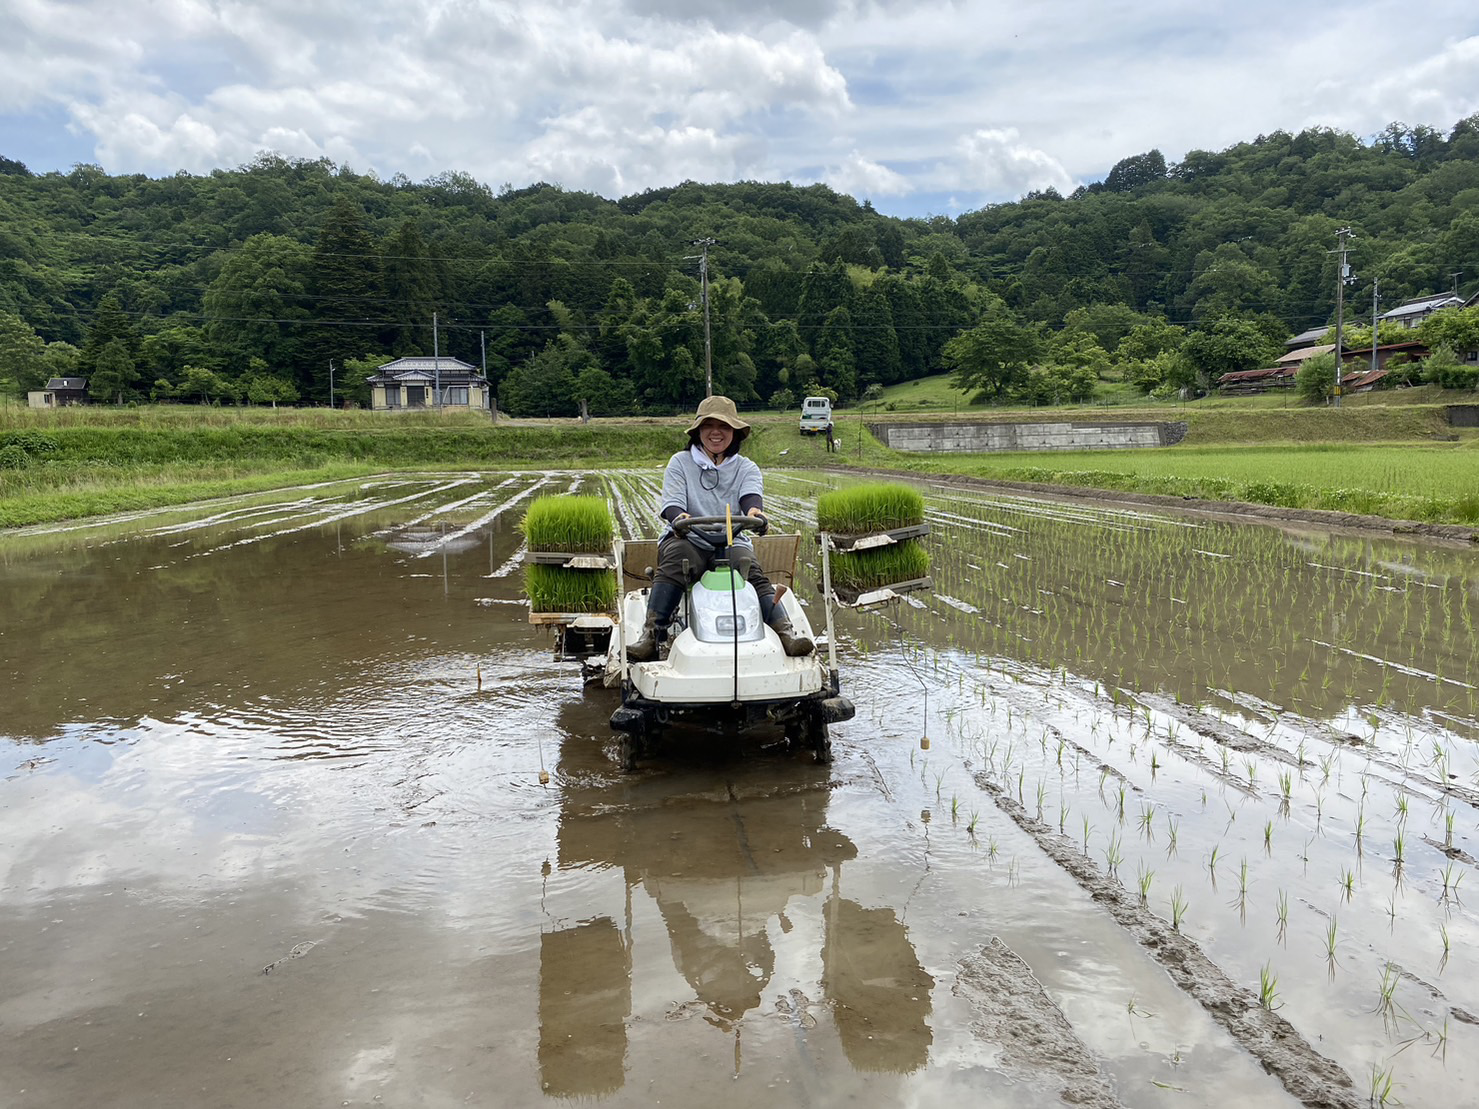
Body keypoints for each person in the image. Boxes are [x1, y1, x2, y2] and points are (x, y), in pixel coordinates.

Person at [627, 396, 814, 660]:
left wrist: (754, 513)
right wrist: (680, 517)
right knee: (677, 559)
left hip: (731, 539)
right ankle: (651, 636)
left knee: (749, 566)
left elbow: (750, 499)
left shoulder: (746, 467)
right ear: (698, 432)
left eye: (724, 426)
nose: (716, 432)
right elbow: (672, 505)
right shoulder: (680, 463)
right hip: (688, 537)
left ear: (734, 432)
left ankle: (786, 635)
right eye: (709, 426)